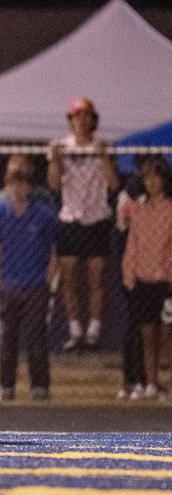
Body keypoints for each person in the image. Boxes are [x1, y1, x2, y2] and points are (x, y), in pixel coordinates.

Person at [48, 97, 119, 351]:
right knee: (69, 279)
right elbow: (54, 184)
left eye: (87, 115)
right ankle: (75, 331)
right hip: (71, 219)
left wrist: (104, 158)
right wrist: (56, 159)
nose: (82, 120)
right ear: (70, 121)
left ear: (93, 120)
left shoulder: (102, 146)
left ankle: (93, 332)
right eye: (77, 116)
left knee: (95, 279)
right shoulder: (61, 146)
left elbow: (114, 184)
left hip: (96, 218)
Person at [0, 159, 58, 402]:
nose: (17, 189)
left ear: (29, 187)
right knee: (7, 339)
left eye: (22, 184)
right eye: (13, 184)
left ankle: (40, 386)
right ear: (7, 186)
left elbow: (53, 248)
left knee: (36, 338)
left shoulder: (44, 215)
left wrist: (48, 277)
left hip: (35, 284)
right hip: (9, 283)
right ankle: (6, 386)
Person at [121, 157, 172, 400]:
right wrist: (129, 273)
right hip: (142, 279)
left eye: (156, 176)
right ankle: (150, 382)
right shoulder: (138, 209)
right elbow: (133, 242)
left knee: (166, 333)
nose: (151, 182)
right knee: (147, 334)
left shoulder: (170, 209)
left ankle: (166, 380)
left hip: (166, 281)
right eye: (147, 177)